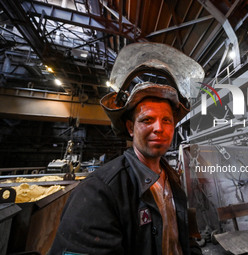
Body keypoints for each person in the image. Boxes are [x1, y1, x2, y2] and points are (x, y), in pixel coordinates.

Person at [49, 82, 201, 255]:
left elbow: (184, 237)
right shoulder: (98, 191)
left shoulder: (172, 178)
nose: (159, 128)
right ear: (130, 128)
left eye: (166, 120)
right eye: (147, 120)